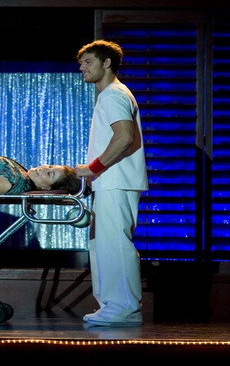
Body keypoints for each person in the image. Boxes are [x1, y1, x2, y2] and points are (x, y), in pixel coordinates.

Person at [73, 40, 148, 327]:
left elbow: (124, 137)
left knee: (115, 243)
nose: (82, 67)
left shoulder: (113, 95)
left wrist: (92, 168)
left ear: (106, 63)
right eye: (81, 63)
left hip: (116, 180)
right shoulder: (110, 95)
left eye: (88, 62)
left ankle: (123, 307)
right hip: (110, 181)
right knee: (103, 244)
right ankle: (113, 305)